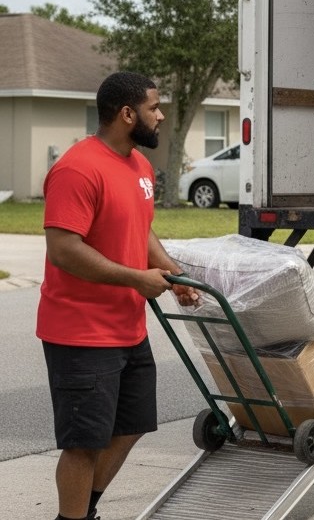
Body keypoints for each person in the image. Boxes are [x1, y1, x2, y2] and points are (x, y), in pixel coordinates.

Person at [37, 71, 200, 520]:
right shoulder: (78, 168)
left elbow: (140, 230)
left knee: (130, 426)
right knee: (83, 443)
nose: (161, 115)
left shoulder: (139, 165)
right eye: (154, 107)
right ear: (128, 114)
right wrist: (136, 279)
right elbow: (64, 249)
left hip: (128, 328)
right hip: (81, 332)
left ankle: (84, 510)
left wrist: (174, 274)